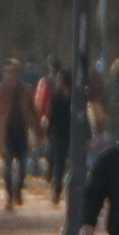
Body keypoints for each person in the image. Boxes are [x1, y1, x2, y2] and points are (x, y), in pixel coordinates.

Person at [0, 58, 40, 212]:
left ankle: (18, 190)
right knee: (8, 167)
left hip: (21, 133)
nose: (10, 76)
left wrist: (38, 132)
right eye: (7, 72)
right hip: (6, 134)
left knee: (23, 166)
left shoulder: (26, 91)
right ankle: (9, 196)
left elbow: (34, 113)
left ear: (18, 74)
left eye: (13, 72)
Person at [43, 56, 75, 203]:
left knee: (58, 161)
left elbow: (51, 115)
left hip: (59, 133)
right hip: (69, 132)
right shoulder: (75, 97)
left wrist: (48, 130)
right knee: (62, 161)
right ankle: (58, 185)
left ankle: (57, 186)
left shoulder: (56, 96)